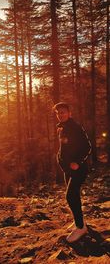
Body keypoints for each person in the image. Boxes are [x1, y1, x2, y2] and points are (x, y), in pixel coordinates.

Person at [53, 102, 91, 243]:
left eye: (63, 112)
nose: (60, 115)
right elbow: (65, 147)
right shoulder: (62, 127)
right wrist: (59, 158)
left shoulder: (75, 127)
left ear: (70, 113)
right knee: (74, 196)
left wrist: (78, 162)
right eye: (58, 113)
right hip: (67, 169)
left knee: (70, 196)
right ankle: (79, 222)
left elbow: (88, 147)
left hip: (78, 169)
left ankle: (81, 228)